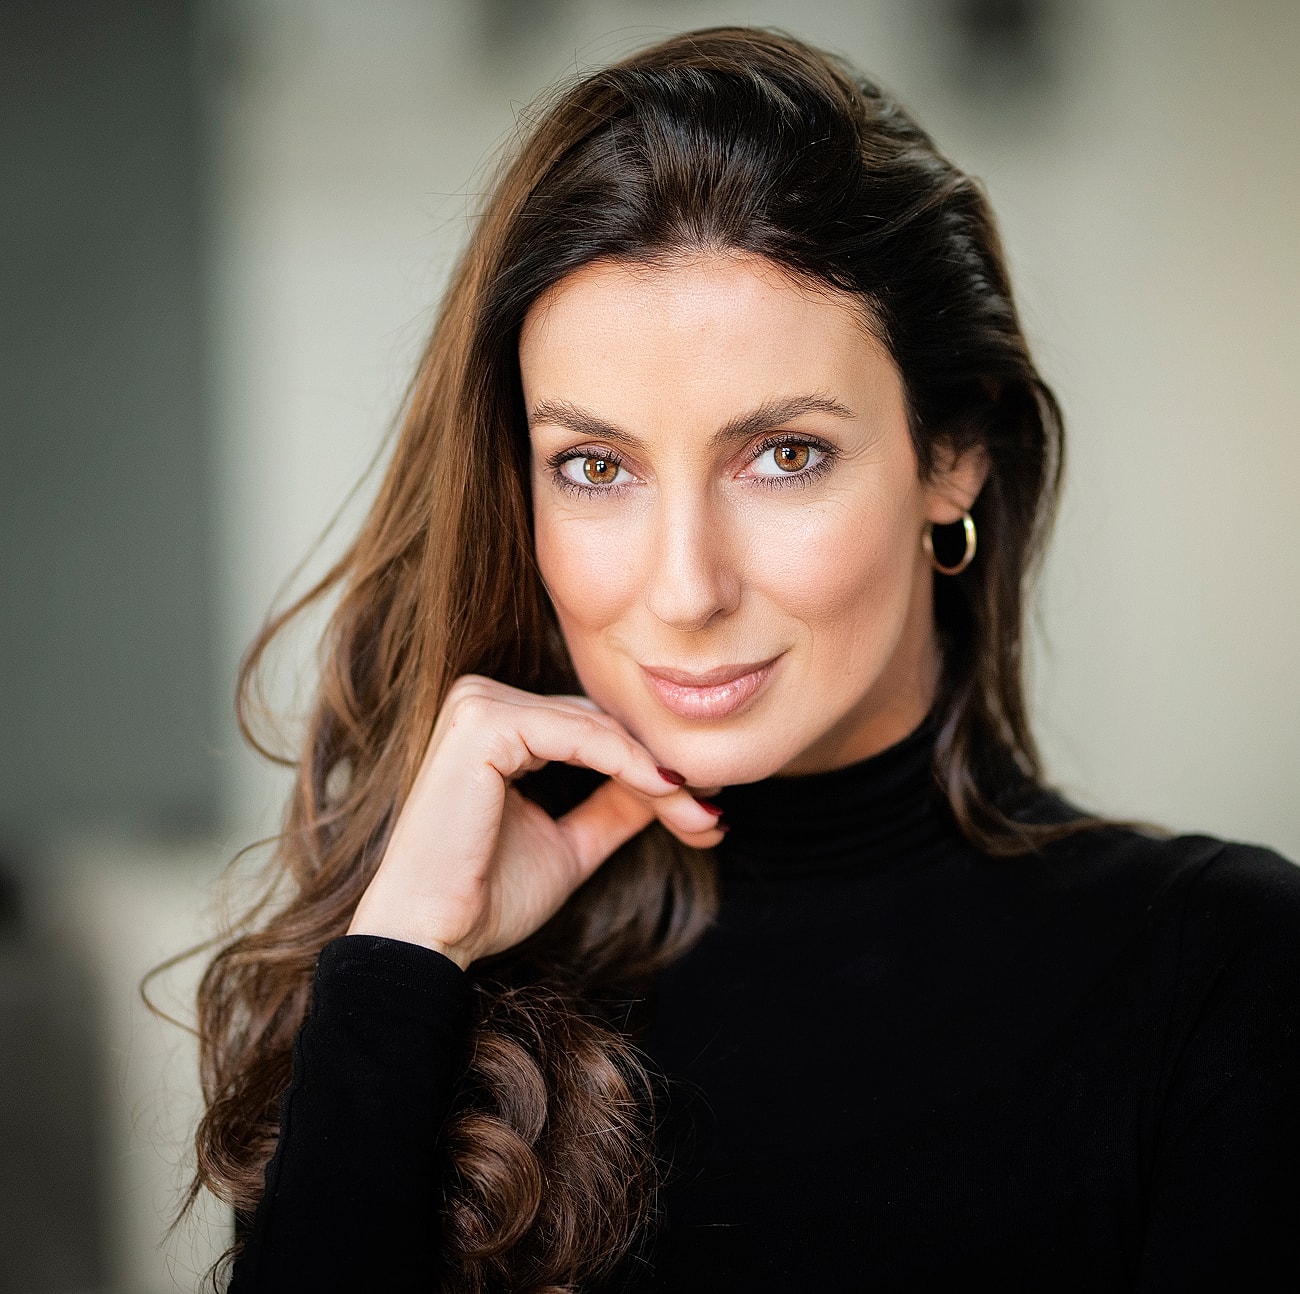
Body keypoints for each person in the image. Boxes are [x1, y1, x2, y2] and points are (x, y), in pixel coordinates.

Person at [192, 26, 1300, 1293]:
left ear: (953, 454)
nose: (683, 588)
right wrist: (399, 963)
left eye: (782, 454)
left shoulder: (1223, 978)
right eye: (595, 466)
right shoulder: (426, 990)